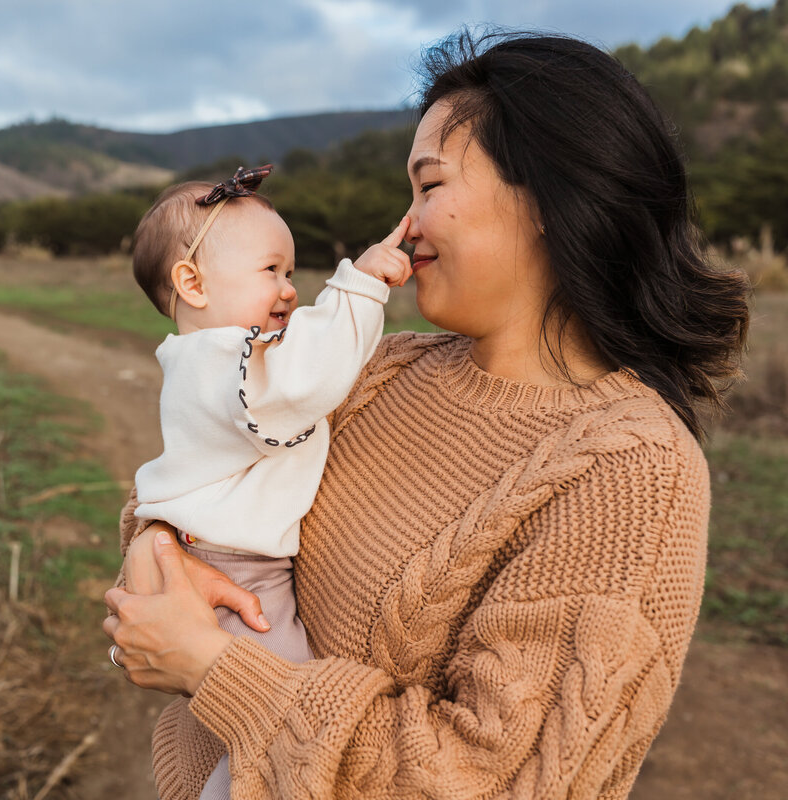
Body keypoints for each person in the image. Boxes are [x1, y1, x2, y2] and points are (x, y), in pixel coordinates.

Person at [103, 29, 750, 800]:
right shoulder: (385, 369)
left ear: (547, 196)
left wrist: (212, 669)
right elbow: (211, 477)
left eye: (429, 186)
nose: (404, 224)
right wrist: (157, 542)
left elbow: (487, 778)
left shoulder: (633, 472)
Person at [123, 166, 413, 798]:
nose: (289, 290)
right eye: (271, 270)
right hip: (238, 574)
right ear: (192, 284)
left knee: (260, 708)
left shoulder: (209, 355)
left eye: (290, 272)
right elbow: (311, 375)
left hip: (219, 558)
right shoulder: (229, 366)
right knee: (277, 706)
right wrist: (359, 287)